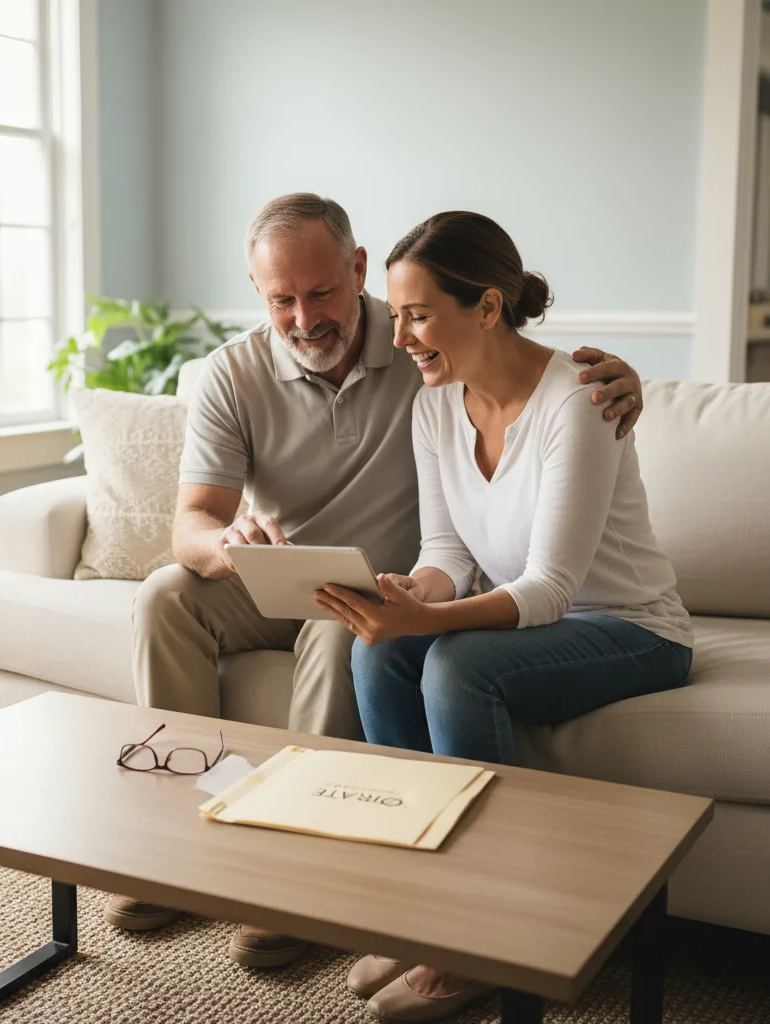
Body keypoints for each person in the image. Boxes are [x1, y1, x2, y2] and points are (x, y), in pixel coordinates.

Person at [114, 194, 646, 970]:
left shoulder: (425, 349)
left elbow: (514, 359)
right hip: (277, 572)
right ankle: (175, 854)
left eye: (322, 292)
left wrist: (628, 380)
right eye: (280, 300)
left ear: (356, 269)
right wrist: (228, 545)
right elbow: (191, 520)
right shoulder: (235, 372)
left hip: (378, 584)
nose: (304, 317)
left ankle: (299, 879)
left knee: (353, 636)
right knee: (165, 594)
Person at [315, 211, 692, 1022]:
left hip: (632, 630)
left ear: (487, 307)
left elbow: (552, 587)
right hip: (547, 623)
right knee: (375, 655)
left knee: (455, 664)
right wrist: (413, 592)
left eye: (419, 314)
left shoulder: (579, 399)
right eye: (398, 314)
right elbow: (448, 550)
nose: (403, 335)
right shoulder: (435, 404)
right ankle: (425, 913)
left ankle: (489, 934)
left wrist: (428, 627)